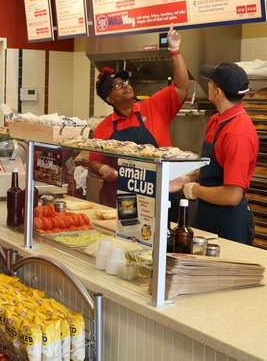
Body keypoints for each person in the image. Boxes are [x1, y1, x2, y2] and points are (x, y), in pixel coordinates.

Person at [88, 25, 189, 207]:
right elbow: (94, 162)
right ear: (109, 99)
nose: (125, 86)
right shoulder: (104, 127)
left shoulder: (154, 107)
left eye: (125, 82)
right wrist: (103, 168)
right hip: (120, 201)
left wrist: (175, 51)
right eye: (117, 86)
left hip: (158, 196)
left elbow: (181, 87)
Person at [173, 63, 258, 244]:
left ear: (218, 92)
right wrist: (187, 179)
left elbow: (232, 195)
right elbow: (211, 168)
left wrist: (194, 190)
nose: (208, 85)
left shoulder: (237, 134)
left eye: (210, 82)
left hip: (229, 225)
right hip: (207, 217)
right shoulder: (216, 120)